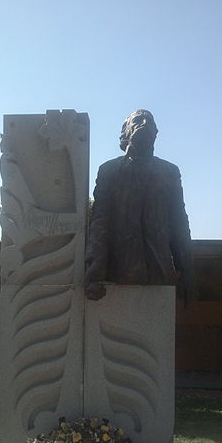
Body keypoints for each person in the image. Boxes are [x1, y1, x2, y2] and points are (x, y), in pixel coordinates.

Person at [85, 109, 196, 304]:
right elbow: (100, 222)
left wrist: (186, 270)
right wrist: (94, 274)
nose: (144, 124)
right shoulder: (109, 171)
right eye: (137, 120)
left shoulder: (169, 172)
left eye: (150, 122)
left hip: (159, 269)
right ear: (125, 131)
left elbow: (179, 221)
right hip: (119, 268)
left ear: (156, 133)